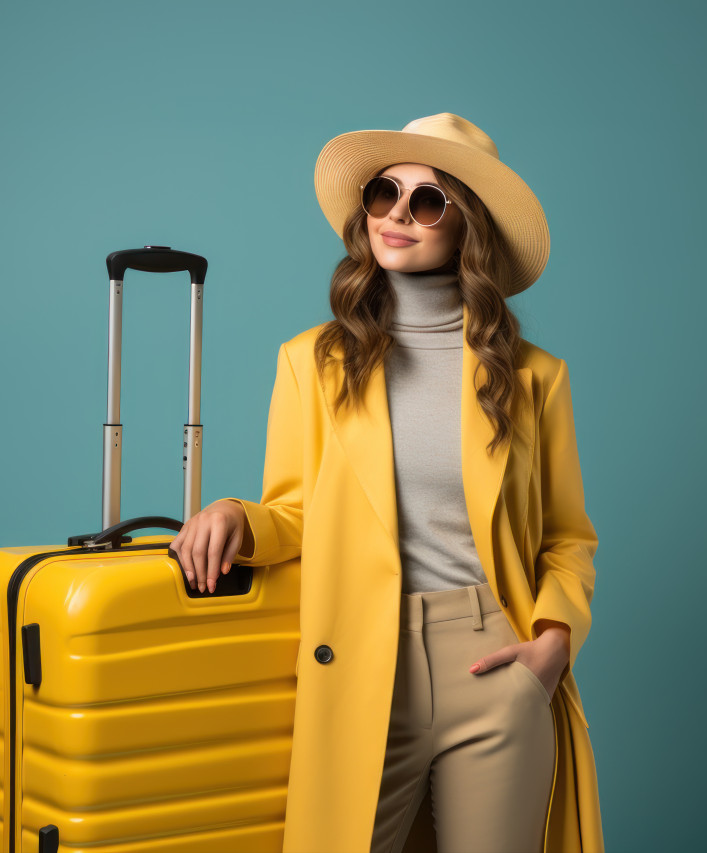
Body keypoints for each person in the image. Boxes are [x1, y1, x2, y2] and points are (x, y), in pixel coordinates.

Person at [168, 113, 601, 853]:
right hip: (365, 660)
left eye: (428, 202)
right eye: (383, 192)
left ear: (469, 229)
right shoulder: (313, 361)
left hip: (493, 659)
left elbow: (566, 536)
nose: (397, 215)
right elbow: (297, 510)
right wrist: (238, 516)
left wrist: (552, 644)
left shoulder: (534, 378)